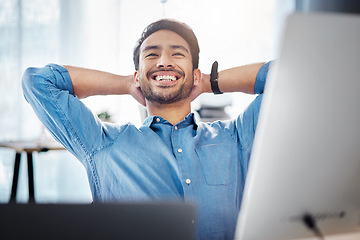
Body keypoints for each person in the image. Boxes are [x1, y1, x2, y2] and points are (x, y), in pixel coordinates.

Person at [22, 19, 270, 239]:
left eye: (177, 54)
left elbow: (294, 74)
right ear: (138, 76)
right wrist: (127, 84)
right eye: (151, 55)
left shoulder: (235, 138)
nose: (163, 62)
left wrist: (209, 82)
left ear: (195, 74)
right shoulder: (103, 144)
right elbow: (39, 81)